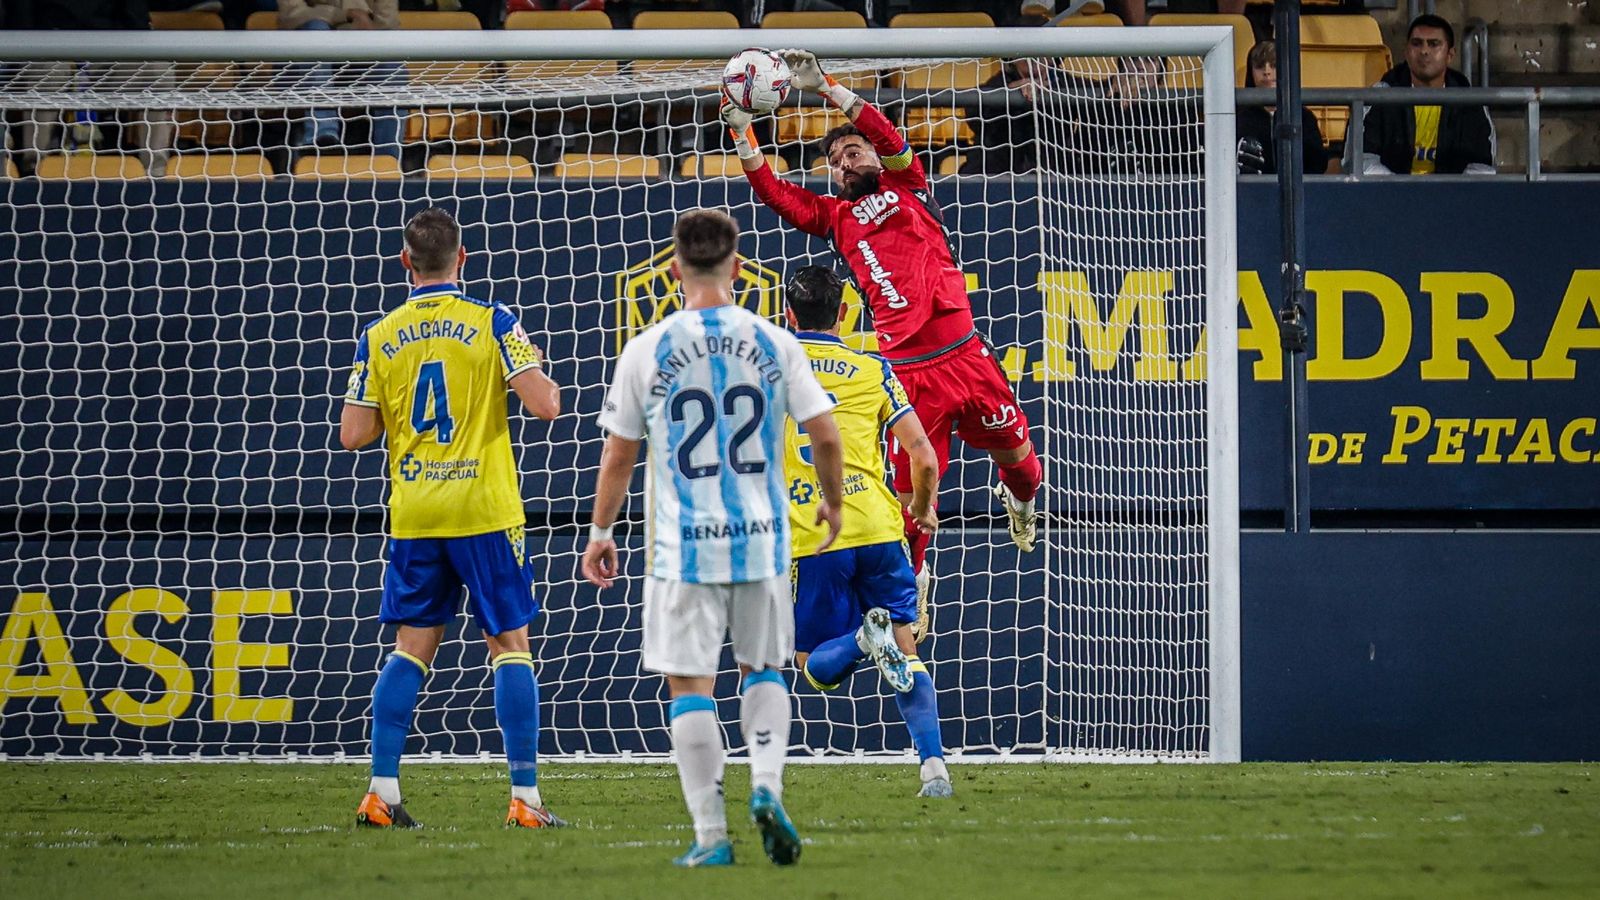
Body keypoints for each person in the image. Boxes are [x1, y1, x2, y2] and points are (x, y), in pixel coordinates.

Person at [721, 49, 1043, 631]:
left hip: (966, 356)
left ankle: (1019, 507)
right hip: (908, 372)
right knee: (912, 508)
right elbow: (776, 194)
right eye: (836, 162)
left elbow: (888, 136)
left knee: (1024, 467)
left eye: (853, 152)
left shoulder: (909, 183)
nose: (845, 164)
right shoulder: (835, 218)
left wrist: (829, 89)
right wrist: (745, 137)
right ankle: (910, 602)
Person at [580, 209, 844, 869]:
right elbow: (827, 433)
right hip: (761, 535)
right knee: (765, 668)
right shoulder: (775, 341)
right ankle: (766, 786)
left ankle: (711, 838)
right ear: (735, 266)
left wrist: (601, 531)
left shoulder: (647, 347)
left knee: (690, 683)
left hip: (681, 543)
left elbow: (618, 455)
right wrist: (834, 505)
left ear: (674, 270)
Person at [339, 207, 565, 830]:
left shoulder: (379, 334)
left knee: (410, 650)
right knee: (510, 649)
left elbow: (353, 434)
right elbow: (546, 405)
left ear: (405, 261)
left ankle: (381, 792)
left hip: (415, 512)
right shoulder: (494, 322)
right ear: (463, 258)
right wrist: (531, 364)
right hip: (484, 509)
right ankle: (525, 799)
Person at [781, 265, 954, 799]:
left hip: (816, 532)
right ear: (845, 313)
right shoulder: (873, 368)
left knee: (813, 668)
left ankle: (861, 639)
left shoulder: (772, 369)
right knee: (906, 650)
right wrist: (922, 509)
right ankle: (934, 771)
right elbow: (923, 457)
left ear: (788, 315)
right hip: (880, 527)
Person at [3, 1, 175, 177]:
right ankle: (32, 169)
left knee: (157, 70)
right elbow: (21, 21)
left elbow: (136, 22)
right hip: (48, 49)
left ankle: (156, 172)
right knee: (49, 69)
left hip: (108, 52)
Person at [1358, 14, 1495, 176]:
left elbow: (1482, 165)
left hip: (1452, 197)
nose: (1424, 51)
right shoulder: (1379, 97)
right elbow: (1362, 160)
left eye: (1433, 44)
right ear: (1407, 52)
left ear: (1450, 55)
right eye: (1417, 44)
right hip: (1391, 196)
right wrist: (1399, 191)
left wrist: (1453, 195)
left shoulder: (1471, 103)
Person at [277, 0, 404, 159]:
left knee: (391, 63)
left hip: (358, 57)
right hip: (299, 64)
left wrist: (368, 28)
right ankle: (322, 138)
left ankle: (388, 159)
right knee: (316, 30)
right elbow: (291, 15)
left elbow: (388, 23)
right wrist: (347, 14)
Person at [1237, 40, 1329, 175]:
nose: (1267, 72)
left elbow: (1317, 165)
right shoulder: (1240, 119)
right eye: (1259, 66)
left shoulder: (1304, 117)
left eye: (1274, 66)